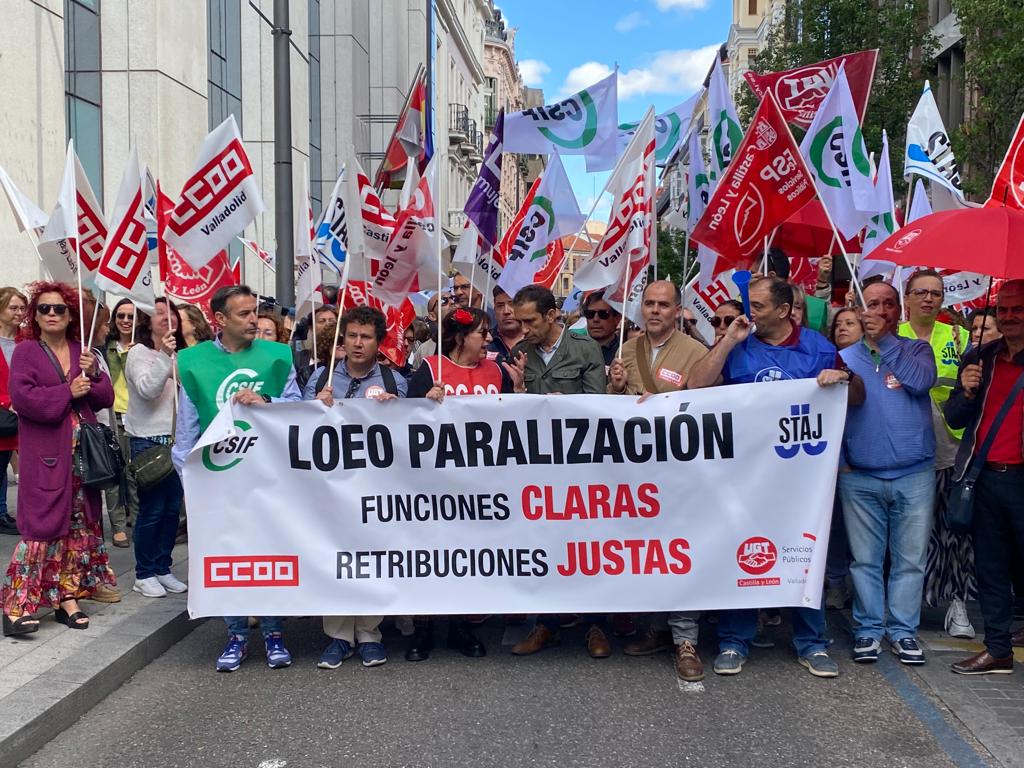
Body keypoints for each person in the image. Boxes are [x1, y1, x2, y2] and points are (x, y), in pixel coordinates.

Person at [688, 276, 862, 678]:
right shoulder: (739, 345)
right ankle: (735, 640)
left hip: (803, 482)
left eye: (759, 306)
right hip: (745, 480)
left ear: (784, 311)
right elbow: (697, 385)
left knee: (805, 555)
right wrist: (729, 340)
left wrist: (843, 381)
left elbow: (855, 399)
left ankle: (812, 642)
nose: (751, 312)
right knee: (745, 553)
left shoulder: (819, 348)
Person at [172, 285, 302, 671]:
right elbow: (186, 432)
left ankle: (275, 632)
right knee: (228, 556)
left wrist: (268, 402)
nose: (252, 320)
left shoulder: (278, 357)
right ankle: (236, 635)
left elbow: (299, 405)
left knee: (270, 553)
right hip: (218, 479)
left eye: (253, 312)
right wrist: (189, 482)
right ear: (221, 319)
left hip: (268, 475)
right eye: (243, 314)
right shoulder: (192, 362)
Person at [405, 306, 524, 661]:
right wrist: (423, 404)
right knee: (428, 555)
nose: (489, 339)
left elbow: (513, 423)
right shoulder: (430, 369)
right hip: (434, 483)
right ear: (460, 337)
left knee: (467, 557)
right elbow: (403, 424)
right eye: (482, 333)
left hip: (480, 485)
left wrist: (518, 389)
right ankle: (423, 628)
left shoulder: (496, 370)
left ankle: (460, 625)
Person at [1, 281, 116, 636]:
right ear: (34, 316)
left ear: (70, 315)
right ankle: (16, 605)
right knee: (41, 529)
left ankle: (68, 596)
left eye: (59, 309)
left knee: (78, 528)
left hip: (84, 460)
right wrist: (67, 390)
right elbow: (23, 397)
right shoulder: (26, 352)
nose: (52, 314)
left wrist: (93, 374)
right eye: (44, 309)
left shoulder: (82, 350)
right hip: (47, 457)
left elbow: (105, 398)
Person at [608, 281, 708, 681]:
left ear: (677, 310)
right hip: (635, 473)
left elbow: (706, 405)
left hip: (678, 473)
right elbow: (609, 410)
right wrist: (614, 387)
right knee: (645, 552)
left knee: (680, 551)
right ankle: (655, 627)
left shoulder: (695, 352)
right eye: (648, 303)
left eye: (663, 305)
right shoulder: (626, 350)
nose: (654, 311)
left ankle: (686, 639)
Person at [838, 281, 938, 666]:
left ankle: (902, 631)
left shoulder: (916, 349)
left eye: (888, 304)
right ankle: (868, 629)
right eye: (872, 304)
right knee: (864, 560)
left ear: (899, 310)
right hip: (860, 476)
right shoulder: (844, 357)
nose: (879, 311)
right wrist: (845, 462)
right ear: (861, 310)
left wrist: (888, 345)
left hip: (914, 474)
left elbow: (920, 382)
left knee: (909, 560)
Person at [304, 306, 406, 670]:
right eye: (352, 336)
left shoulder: (395, 383)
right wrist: (314, 407)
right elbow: (295, 429)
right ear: (342, 340)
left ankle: (369, 633)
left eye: (366, 337)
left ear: (378, 343)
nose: (358, 343)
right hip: (331, 490)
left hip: (376, 490)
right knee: (335, 555)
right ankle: (338, 636)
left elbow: (411, 437)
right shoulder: (320, 378)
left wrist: (398, 411)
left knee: (372, 558)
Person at [945, 280, 1024, 675]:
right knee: (991, 568)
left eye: (1018, 309)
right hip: (985, 477)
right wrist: (967, 391)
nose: (1009, 317)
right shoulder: (980, 357)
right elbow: (955, 418)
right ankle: (998, 651)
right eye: (1004, 309)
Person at [897, 270, 976, 639]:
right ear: (907, 297)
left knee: (955, 528)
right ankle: (905, 602)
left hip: (951, 447)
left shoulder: (957, 336)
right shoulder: (893, 338)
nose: (929, 299)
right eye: (921, 292)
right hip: (906, 447)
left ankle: (957, 601)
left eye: (936, 293)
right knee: (910, 530)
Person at [124, 299, 188, 599]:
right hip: (149, 441)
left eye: (170, 313)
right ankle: (144, 572)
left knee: (171, 511)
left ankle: (163, 567)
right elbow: (148, 390)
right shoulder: (139, 353)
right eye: (158, 313)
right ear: (147, 321)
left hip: (177, 442)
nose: (166, 318)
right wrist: (164, 355)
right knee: (151, 511)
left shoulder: (180, 354)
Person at [824, 308, 864, 610]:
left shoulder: (866, 363)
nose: (843, 328)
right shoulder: (824, 360)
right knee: (835, 528)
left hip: (863, 457)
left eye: (850, 323)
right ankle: (836, 583)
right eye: (838, 324)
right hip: (832, 462)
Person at [511, 285, 607, 396]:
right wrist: (519, 391)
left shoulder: (587, 349)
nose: (524, 330)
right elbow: (507, 405)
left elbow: (596, 403)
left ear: (550, 315)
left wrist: (565, 404)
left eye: (530, 321)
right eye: (519, 322)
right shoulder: (518, 353)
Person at [102, 298, 138, 547]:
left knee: (136, 473)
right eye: (121, 316)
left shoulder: (143, 347)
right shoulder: (105, 347)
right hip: (112, 417)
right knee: (114, 472)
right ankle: (117, 526)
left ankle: (136, 519)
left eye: (131, 316)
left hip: (138, 417)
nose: (125, 321)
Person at [0, 287, 26, 535]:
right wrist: (7, 401)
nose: (19, 312)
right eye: (13, 308)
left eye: (21, 308)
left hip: (23, 413)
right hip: (4, 412)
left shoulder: (25, 340)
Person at [294, 306, 339, 392]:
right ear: (311, 327)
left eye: (331, 321)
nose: (327, 324)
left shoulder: (343, 355)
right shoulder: (299, 357)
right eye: (322, 321)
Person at [581, 291, 621, 367]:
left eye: (603, 314)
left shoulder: (626, 353)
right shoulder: (573, 350)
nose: (595, 319)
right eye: (590, 314)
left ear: (617, 318)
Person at [487, 287, 525, 365]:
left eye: (512, 304)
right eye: (500, 306)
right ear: (494, 310)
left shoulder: (536, 340)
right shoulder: (485, 340)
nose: (506, 311)